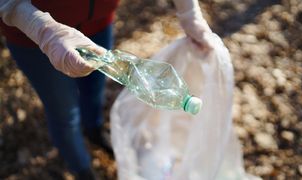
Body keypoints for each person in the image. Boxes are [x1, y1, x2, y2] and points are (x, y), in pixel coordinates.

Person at [0, 0, 214, 179]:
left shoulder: (176, 91)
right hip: (32, 38)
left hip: (99, 21)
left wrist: (189, 12)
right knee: (64, 112)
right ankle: (81, 168)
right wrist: (40, 27)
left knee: (94, 89)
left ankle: (94, 130)